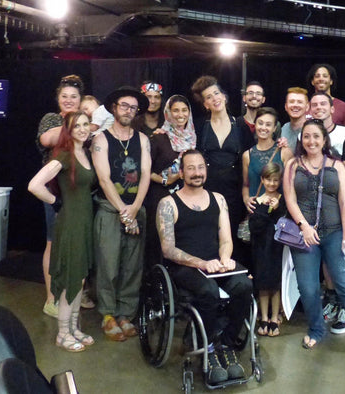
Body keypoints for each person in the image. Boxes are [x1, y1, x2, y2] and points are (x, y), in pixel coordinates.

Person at [283, 119, 345, 377]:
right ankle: (316, 328)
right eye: (306, 137)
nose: (311, 141)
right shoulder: (292, 165)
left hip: (335, 233)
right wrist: (303, 226)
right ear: (301, 139)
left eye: (316, 136)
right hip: (305, 237)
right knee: (307, 287)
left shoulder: (337, 165)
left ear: (324, 139)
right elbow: (290, 200)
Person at [156, 149, 253, 384]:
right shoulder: (168, 204)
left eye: (200, 167)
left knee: (243, 285)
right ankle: (207, 346)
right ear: (181, 172)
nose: (197, 173)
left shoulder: (218, 199)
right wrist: (201, 263)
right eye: (190, 168)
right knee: (208, 291)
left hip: (215, 262)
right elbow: (168, 250)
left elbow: (226, 239)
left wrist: (225, 258)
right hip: (185, 266)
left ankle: (227, 344)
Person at [28, 111, 96, 352]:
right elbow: (34, 184)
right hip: (71, 224)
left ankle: (74, 327)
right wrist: (55, 201)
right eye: (76, 125)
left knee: (79, 277)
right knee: (70, 279)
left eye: (85, 124)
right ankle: (63, 332)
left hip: (85, 222)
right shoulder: (66, 155)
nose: (81, 129)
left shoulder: (84, 153)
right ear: (68, 129)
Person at [91, 86, 151, 342]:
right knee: (108, 263)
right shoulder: (101, 139)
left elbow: (146, 174)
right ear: (114, 108)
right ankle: (107, 314)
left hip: (136, 209)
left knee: (132, 265)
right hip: (109, 209)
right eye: (124, 105)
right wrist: (124, 212)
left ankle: (126, 313)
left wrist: (135, 208)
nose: (128, 110)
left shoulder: (143, 139)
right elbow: (104, 179)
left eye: (133, 107)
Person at [309, 91, 345, 334]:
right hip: (314, 213)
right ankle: (330, 299)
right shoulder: (308, 135)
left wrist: (338, 203)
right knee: (325, 262)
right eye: (315, 105)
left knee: (341, 259)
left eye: (323, 104)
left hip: (338, 208)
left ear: (332, 108)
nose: (319, 108)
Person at [36, 74, 84, 318]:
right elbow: (48, 139)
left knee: (78, 246)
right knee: (54, 244)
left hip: (82, 191)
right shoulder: (51, 119)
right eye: (64, 96)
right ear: (58, 99)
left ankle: (75, 293)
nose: (68, 100)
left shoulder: (84, 120)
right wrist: (76, 124)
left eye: (73, 97)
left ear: (80, 100)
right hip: (56, 191)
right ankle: (51, 299)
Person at [191, 75, 253, 262]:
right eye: (208, 97)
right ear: (205, 104)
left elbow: (252, 156)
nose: (214, 98)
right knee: (209, 237)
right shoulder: (200, 125)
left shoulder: (241, 125)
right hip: (207, 191)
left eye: (216, 93)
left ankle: (234, 281)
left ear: (224, 97)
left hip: (234, 192)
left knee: (233, 237)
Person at [144, 94, 196, 269]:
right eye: (176, 111)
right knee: (159, 244)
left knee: (182, 242)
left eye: (184, 110)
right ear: (168, 113)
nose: (180, 115)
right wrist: (164, 180)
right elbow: (144, 170)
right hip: (160, 197)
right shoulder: (159, 137)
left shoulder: (194, 138)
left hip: (186, 198)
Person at [248, 163, 286, 337]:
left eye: (275, 180)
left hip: (277, 247)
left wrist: (277, 208)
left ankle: (274, 316)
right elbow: (254, 227)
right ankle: (263, 317)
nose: (272, 183)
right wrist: (265, 208)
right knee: (262, 283)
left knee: (276, 284)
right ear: (262, 180)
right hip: (261, 248)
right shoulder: (256, 201)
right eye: (268, 180)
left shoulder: (283, 200)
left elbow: (285, 222)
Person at [242, 107, 293, 213]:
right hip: (257, 214)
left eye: (268, 124)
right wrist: (246, 199)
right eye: (260, 123)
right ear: (255, 124)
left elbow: (292, 185)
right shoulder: (247, 155)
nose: (263, 127)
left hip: (279, 213)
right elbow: (246, 184)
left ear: (274, 128)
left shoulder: (284, 151)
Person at [306, 63, 345, 129]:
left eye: (325, 76)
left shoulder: (344, 107)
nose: (321, 79)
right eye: (317, 76)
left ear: (331, 81)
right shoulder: (305, 107)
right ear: (312, 81)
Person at [280, 87, 310, 153]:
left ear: (307, 107)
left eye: (300, 102)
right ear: (286, 106)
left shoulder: (313, 129)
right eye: (291, 102)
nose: (295, 105)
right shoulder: (284, 129)